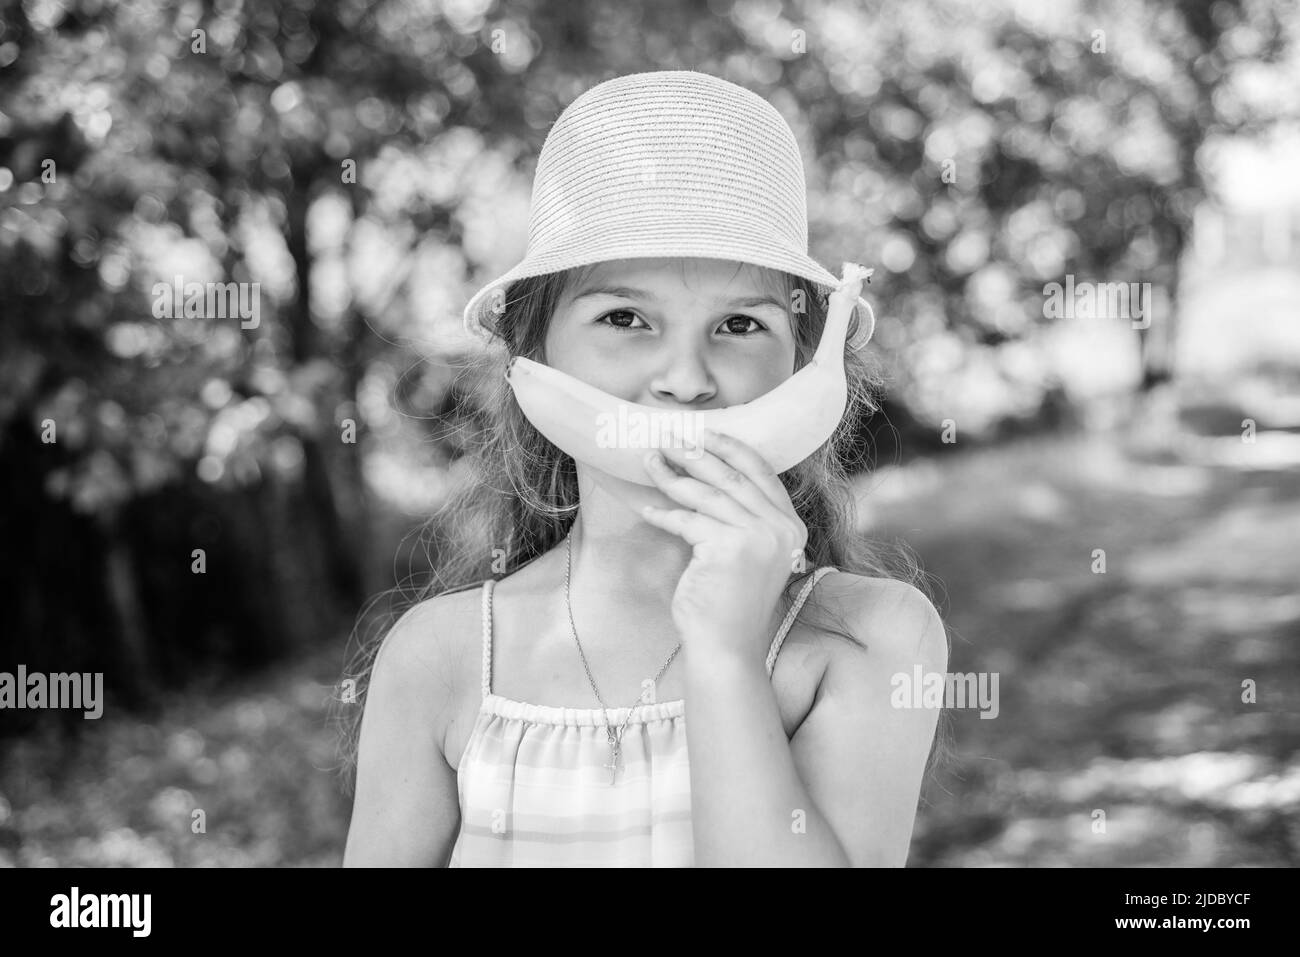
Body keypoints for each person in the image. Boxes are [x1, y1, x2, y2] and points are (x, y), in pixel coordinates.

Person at [339, 70, 950, 867]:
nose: (686, 377)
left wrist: (726, 653)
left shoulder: (872, 639)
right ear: (533, 354)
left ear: (803, 363)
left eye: (740, 322)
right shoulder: (441, 658)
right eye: (624, 317)